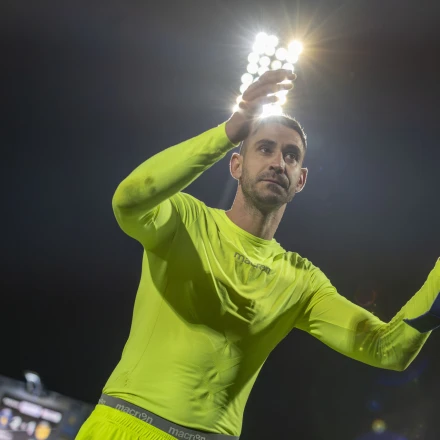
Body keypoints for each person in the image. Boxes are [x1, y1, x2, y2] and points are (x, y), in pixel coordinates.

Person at [75, 69, 440, 440]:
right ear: (236, 164)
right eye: (265, 149)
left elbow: (387, 349)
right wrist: (228, 132)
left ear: (300, 179)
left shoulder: (301, 280)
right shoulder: (184, 219)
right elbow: (128, 199)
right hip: (127, 424)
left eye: (291, 156)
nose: (278, 162)